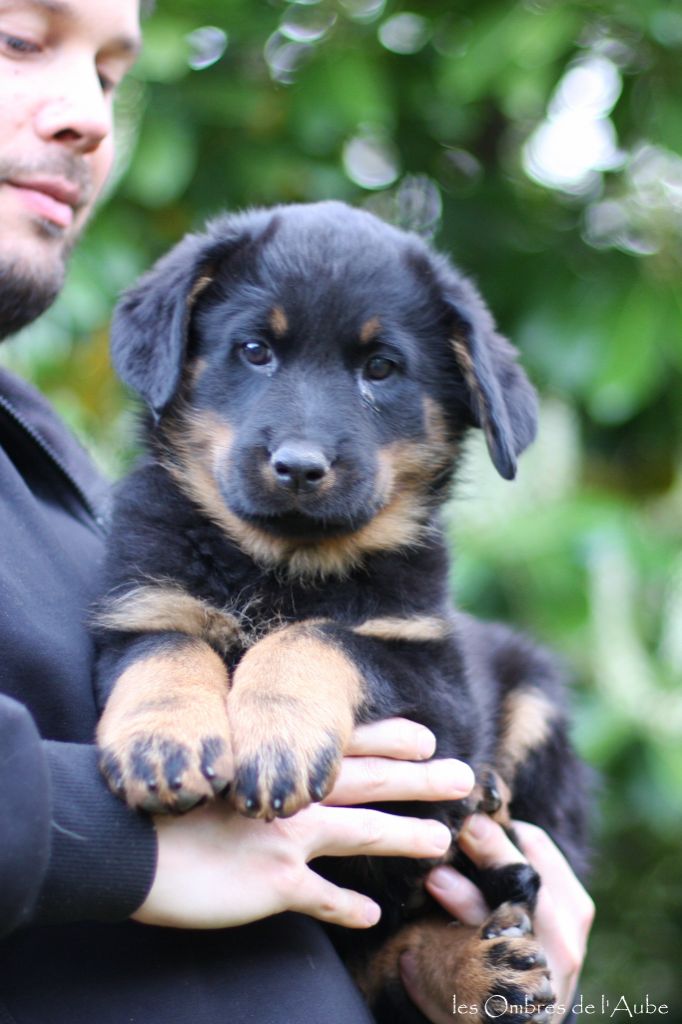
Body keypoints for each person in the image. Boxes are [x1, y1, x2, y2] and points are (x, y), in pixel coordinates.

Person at [0, 1, 593, 1020]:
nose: (305, 446)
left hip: (387, 922)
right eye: (17, 38)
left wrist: (523, 954)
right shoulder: (141, 530)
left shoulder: (50, 463)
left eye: (110, 75)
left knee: (519, 683)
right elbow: (139, 639)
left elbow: (435, 714)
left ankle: (434, 959)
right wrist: (127, 818)